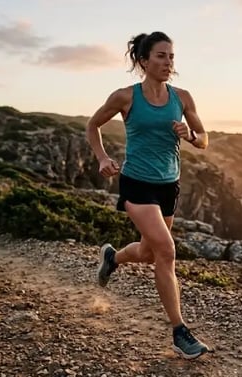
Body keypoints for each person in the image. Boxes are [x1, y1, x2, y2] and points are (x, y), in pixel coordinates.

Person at [86, 31, 210, 359]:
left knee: (147, 252)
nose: (168, 62)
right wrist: (102, 157)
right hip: (136, 183)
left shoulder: (182, 97)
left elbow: (204, 138)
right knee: (166, 251)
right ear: (144, 61)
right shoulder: (125, 97)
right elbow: (92, 125)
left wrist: (192, 136)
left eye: (171, 56)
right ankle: (179, 332)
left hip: (168, 184)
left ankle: (113, 258)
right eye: (161, 56)